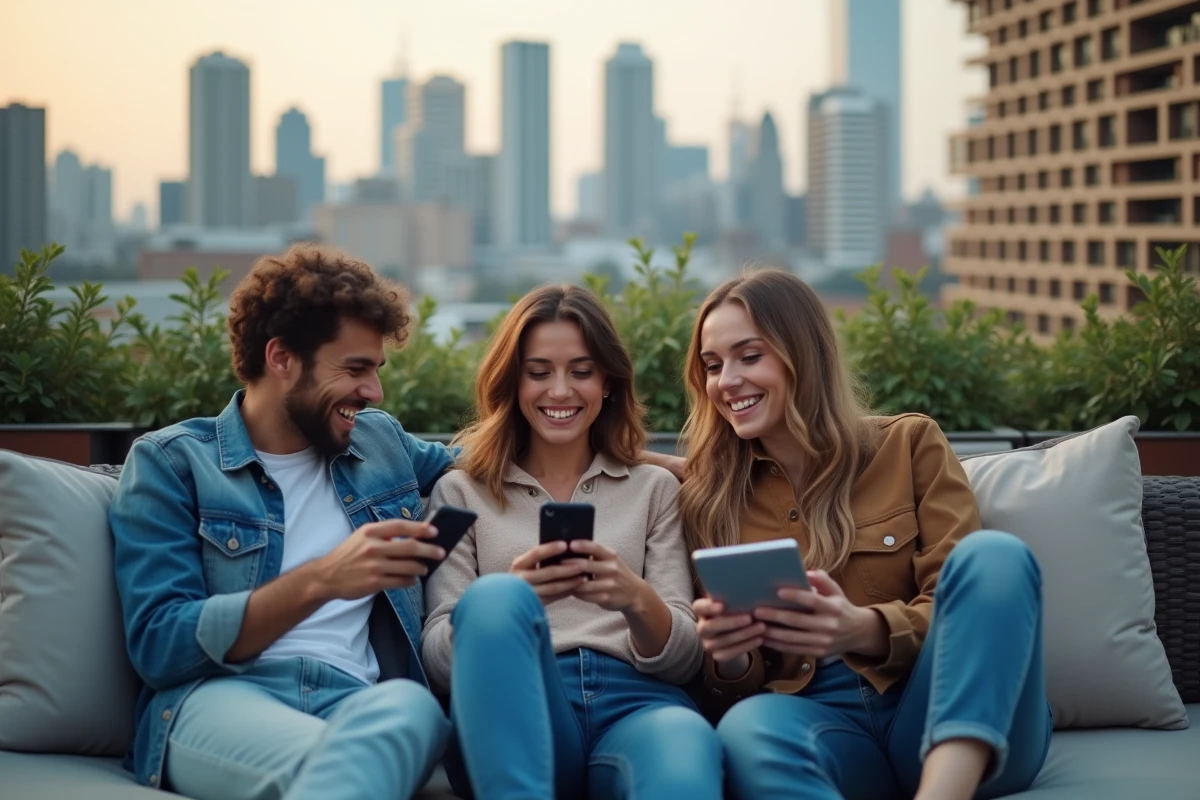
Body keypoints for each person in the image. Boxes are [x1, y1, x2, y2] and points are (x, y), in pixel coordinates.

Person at [678, 269, 1052, 800]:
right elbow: (729, 694)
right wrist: (730, 656)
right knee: (746, 727)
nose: (727, 381)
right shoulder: (710, 499)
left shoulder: (909, 445)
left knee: (996, 556)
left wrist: (863, 630)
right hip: (825, 728)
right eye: (713, 366)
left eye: (750, 356)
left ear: (804, 354)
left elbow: (965, 610)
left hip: (946, 704)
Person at [109, 245, 454, 800]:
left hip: (359, 702)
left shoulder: (380, 442)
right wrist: (323, 579)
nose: (374, 392)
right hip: (225, 697)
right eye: (355, 369)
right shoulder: (173, 464)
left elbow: (491, 461)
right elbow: (160, 644)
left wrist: (611, 445)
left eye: (376, 370)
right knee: (353, 761)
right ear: (281, 358)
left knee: (415, 709)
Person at [420, 285, 722, 800]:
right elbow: (437, 661)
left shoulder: (654, 489)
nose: (560, 391)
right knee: (496, 597)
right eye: (538, 373)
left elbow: (684, 659)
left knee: (683, 745)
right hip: (517, 704)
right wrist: (511, 606)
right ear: (512, 382)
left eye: (581, 371)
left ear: (607, 382)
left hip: (638, 704)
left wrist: (633, 597)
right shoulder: (460, 492)